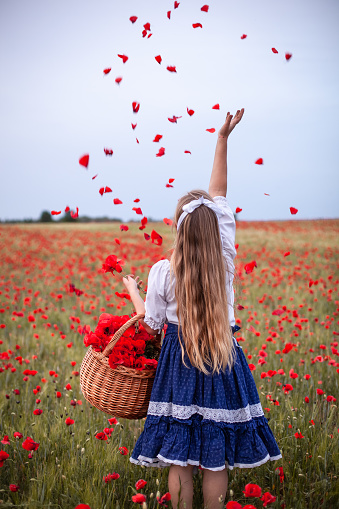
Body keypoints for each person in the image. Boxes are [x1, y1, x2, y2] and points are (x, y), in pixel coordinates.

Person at [122, 109, 282, 509]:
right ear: (217, 230)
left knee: (178, 454)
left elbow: (152, 327)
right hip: (222, 361)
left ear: (178, 228)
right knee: (214, 456)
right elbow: (219, 194)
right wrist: (223, 138)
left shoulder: (162, 272)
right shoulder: (225, 262)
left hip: (178, 368)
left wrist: (132, 292)